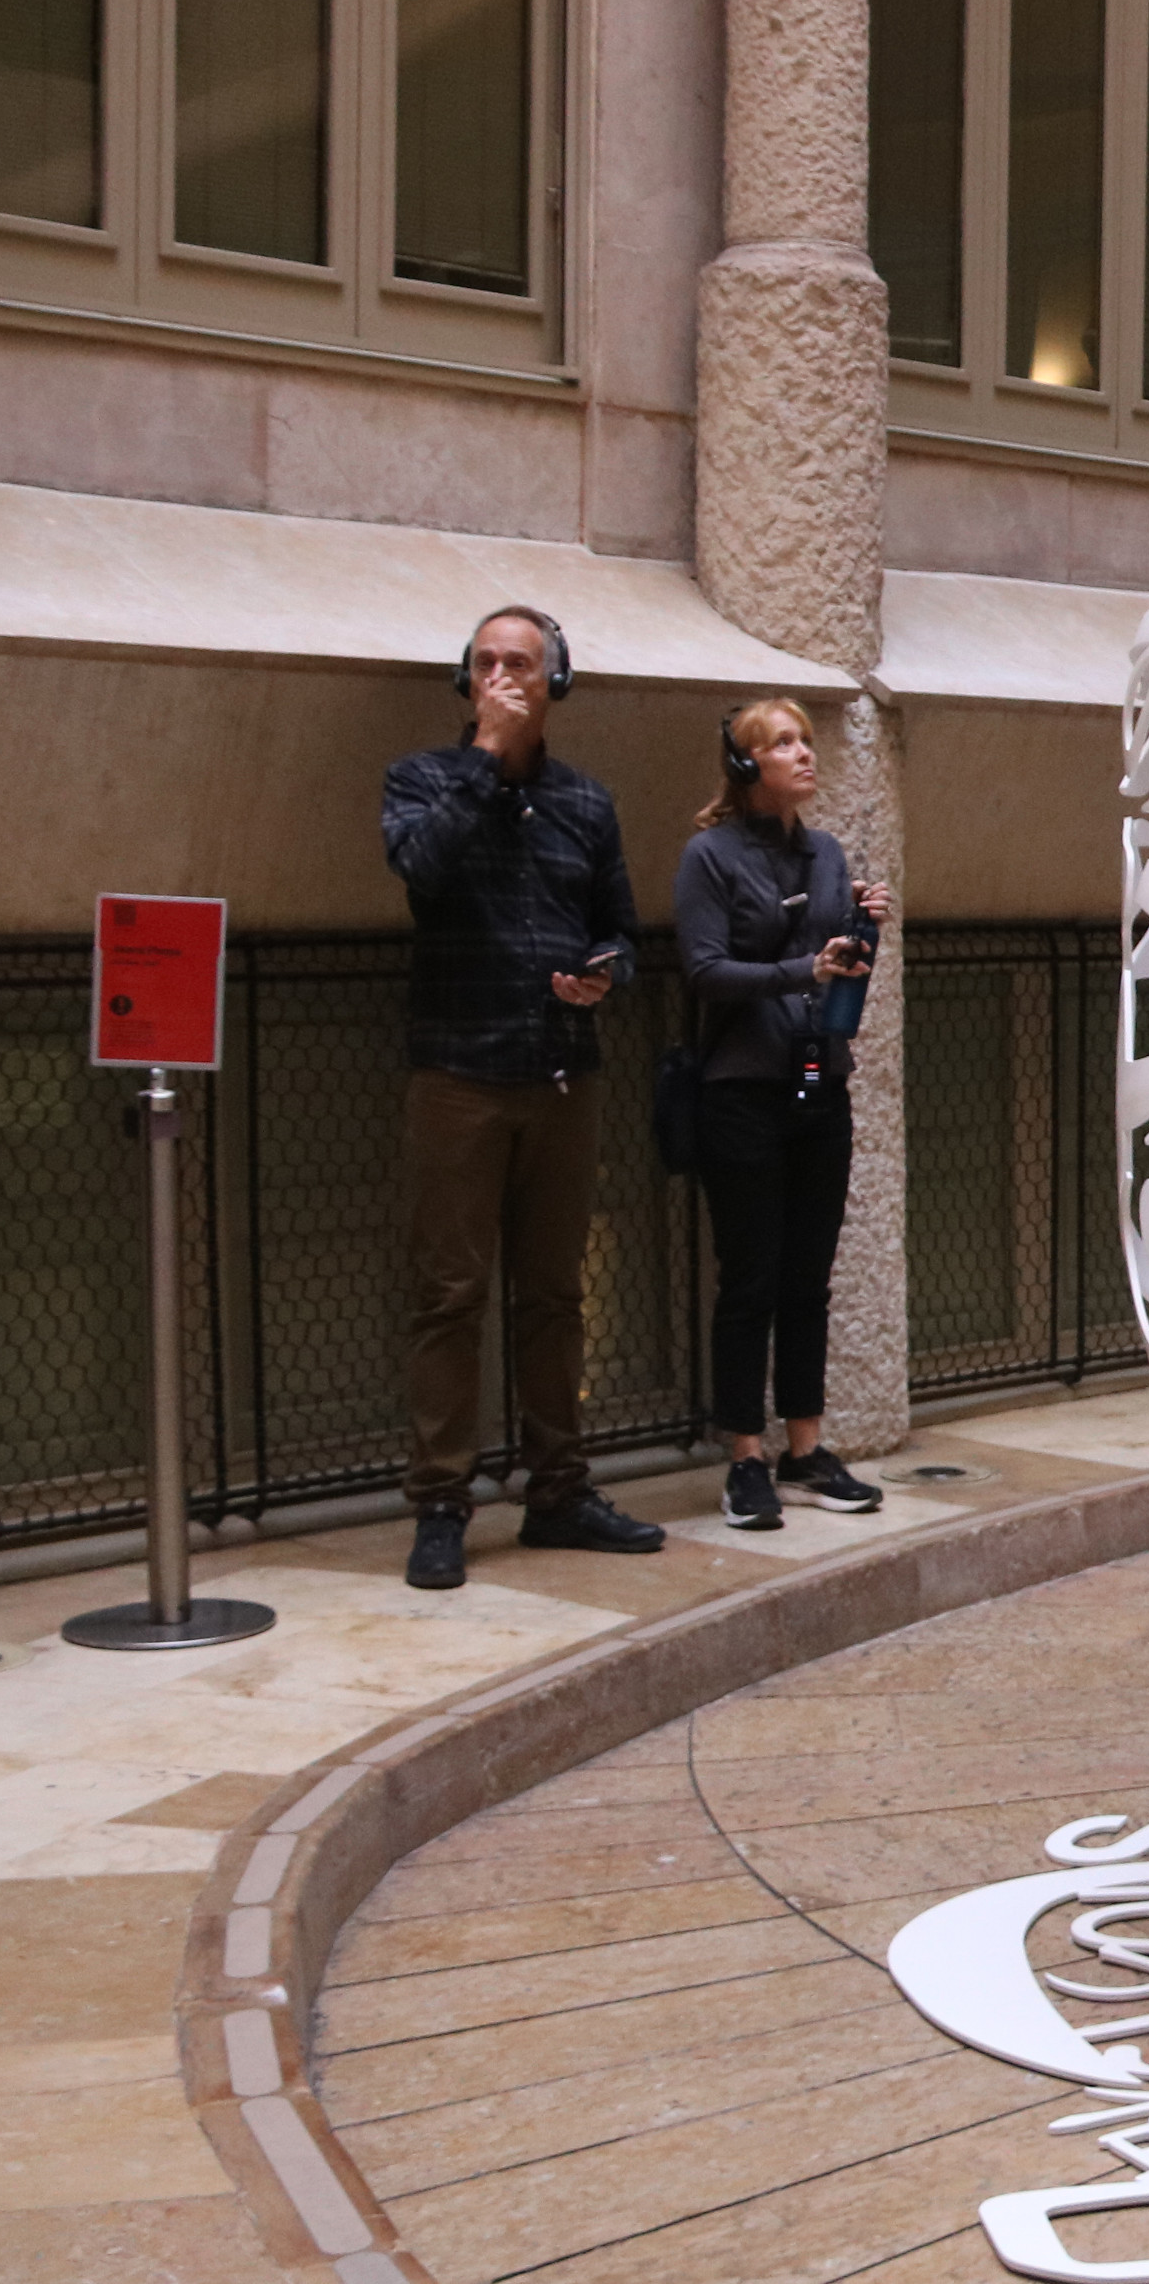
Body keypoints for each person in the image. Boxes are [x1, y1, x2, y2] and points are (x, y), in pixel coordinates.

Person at [382, 607, 669, 1590]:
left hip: (561, 1077)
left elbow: (625, 932)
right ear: (466, 683)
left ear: (557, 683)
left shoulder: (587, 804)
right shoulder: (421, 780)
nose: (503, 677)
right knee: (448, 1297)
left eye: (522, 664)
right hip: (458, 1076)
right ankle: (442, 1503)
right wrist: (485, 759)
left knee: (555, 1296)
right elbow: (423, 873)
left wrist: (606, 973)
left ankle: (558, 1491)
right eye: (487, 664)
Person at [676, 700, 897, 1530]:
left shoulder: (829, 854)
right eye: (782, 744)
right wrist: (803, 963)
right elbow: (703, 971)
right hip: (741, 1089)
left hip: (817, 1079)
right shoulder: (711, 857)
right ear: (745, 767)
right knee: (751, 1281)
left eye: (804, 740)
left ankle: (807, 1449)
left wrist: (857, 930)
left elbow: (840, 974)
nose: (804, 754)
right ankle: (744, 1458)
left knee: (809, 1278)